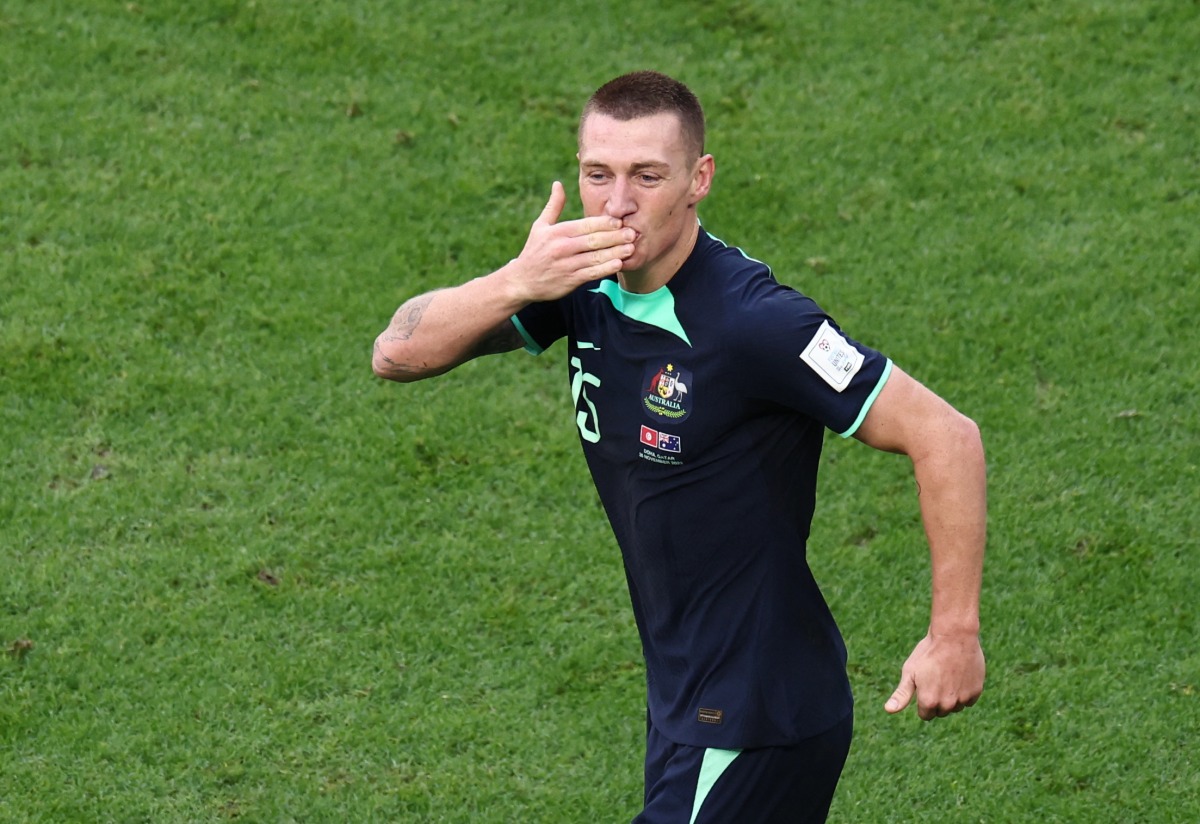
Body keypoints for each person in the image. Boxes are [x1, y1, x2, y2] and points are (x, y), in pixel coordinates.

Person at [373, 70, 986, 824]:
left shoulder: (756, 323)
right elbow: (396, 355)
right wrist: (515, 280)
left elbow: (947, 436)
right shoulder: (581, 280)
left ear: (699, 180)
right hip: (686, 702)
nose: (618, 202)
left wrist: (953, 634)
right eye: (598, 174)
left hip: (755, 714)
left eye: (647, 176)